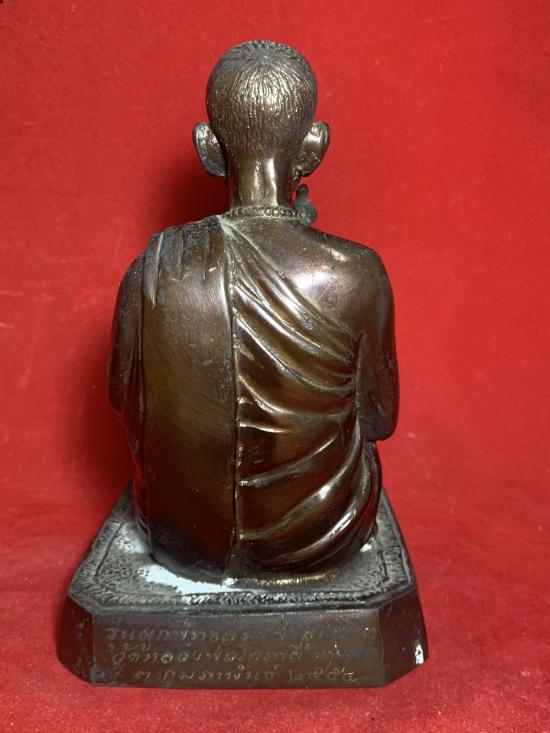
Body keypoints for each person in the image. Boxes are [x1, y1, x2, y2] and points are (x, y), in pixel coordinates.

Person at [108, 40, 398, 579]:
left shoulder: (152, 270)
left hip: (182, 541)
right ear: (314, 146)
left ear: (207, 148)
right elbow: (379, 418)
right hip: (322, 540)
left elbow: (127, 407)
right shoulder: (355, 273)